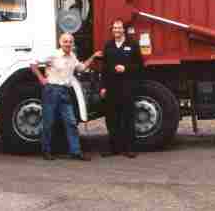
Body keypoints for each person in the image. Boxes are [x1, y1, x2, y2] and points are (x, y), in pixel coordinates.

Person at [31, 32, 98, 161]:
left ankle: (75, 152)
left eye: (70, 42)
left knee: (71, 122)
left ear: (73, 44)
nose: (68, 44)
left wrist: (93, 57)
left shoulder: (73, 56)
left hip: (65, 92)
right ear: (60, 43)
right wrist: (41, 79)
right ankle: (46, 151)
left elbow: (82, 68)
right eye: (65, 41)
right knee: (49, 122)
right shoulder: (53, 55)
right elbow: (33, 63)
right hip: (51, 90)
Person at [99, 19, 144, 159]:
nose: (117, 30)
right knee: (112, 119)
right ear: (112, 30)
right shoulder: (108, 45)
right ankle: (114, 148)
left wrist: (126, 68)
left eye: (119, 28)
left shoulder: (132, 44)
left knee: (128, 118)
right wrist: (103, 87)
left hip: (127, 86)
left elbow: (140, 66)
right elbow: (104, 68)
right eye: (114, 28)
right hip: (111, 87)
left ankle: (130, 149)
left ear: (124, 29)